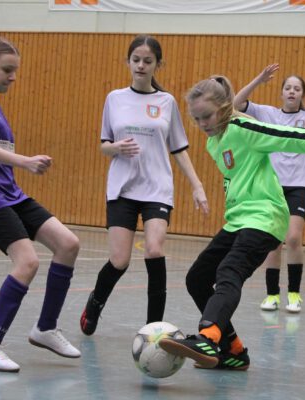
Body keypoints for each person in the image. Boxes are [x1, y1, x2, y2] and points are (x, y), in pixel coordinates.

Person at [159, 75, 305, 370]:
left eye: (207, 116)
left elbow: (293, 136)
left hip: (266, 216)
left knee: (229, 270)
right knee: (197, 278)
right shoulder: (214, 143)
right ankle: (233, 351)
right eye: (197, 119)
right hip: (239, 219)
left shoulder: (244, 128)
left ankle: (208, 336)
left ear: (224, 108)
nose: (202, 124)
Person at [0, 37, 81, 372]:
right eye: (7, 69)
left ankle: (46, 328)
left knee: (68, 244)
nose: (13, 77)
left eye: (15, 70)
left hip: (11, 194)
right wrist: (24, 161)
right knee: (27, 262)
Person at [80, 35, 209, 336]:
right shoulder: (114, 98)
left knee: (154, 249)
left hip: (157, 188)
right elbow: (103, 145)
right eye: (136, 60)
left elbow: (179, 148)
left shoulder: (167, 102)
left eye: (147, 61)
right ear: (128, 62)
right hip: (122, 188)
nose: (141, 65)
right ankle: (95, 302)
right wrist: (115, 148)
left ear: (157, 65)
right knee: (119, 260)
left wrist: (197, 185)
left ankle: (154, 329)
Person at [234, 63, 305, 313]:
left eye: (297, 88)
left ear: (302, 94)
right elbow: (236, 103)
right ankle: (272, 294)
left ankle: (294, 294)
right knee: (273, 242)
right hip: (272, 187)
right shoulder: (267, 114)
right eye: (288, 88)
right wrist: (258, 79)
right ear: (282, 92)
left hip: (299, 186)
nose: (292, 92)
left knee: (293, 238)